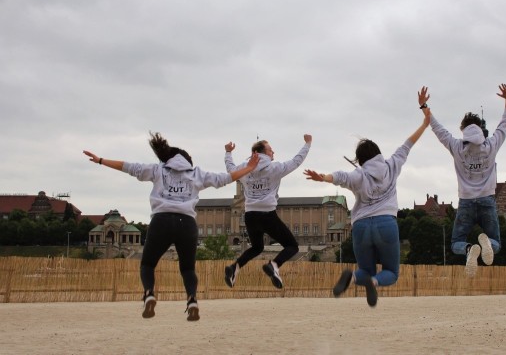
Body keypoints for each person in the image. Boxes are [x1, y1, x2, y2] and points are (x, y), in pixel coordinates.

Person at [83, 132, 258, 321]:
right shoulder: (197, 173)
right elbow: (226, 178)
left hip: (162, 220)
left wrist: (101, 160)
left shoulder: (158, 170)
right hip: (187, 223)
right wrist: (249, 167)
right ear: (186, 161)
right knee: (188, 269)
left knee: (148, 264)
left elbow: (127, 167)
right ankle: (192, 300)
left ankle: (149, 294)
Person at [303, 87, 432, 307]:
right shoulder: (392, 165)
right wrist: (425, 123)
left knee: (363, 269)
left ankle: (353, 278)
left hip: (361, 225)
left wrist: (321, 177)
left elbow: (340, 177)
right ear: (378, 153)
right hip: (385, 223)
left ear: (361, 160)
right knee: (390, 272)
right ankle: (373, 282)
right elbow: (408, 144)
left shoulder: (358, 175)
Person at [429, 84, 506, 277]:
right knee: (496, 243)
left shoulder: (457, 147)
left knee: (456, 242)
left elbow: (439, 130)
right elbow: (504, 125)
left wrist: (425, 109)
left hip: (466, 201)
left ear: (464, 130)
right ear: (481, 131)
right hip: (487, 200)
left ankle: (468, 249)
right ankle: (487, 244)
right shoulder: (491, 145)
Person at [223, 134, 312, 289]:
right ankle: (274, 265)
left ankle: (234, 268)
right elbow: (297, 161)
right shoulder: (275, 168)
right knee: (292, 246)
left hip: (250, 216)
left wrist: (228, 152)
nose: (273, 153)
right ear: (263, 152)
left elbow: (230, 169)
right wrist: (307, 144)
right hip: (267, 215)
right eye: (270, 150)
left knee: (257, 247)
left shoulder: (244, 168)